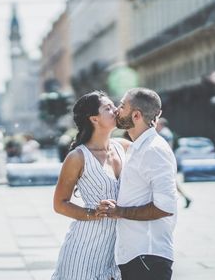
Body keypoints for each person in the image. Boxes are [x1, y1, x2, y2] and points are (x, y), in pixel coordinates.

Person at [51, 91, 129, 280]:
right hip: (84, 249)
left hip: (116, 252)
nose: (116, 110)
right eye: (108, 108)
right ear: (94, 118)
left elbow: (153, 153)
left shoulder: (123, 147)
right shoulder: (78, 157)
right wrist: (92, 213)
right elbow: (59, 204)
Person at [106, 87, 177, 280]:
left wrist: (120, 212)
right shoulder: (138, 147)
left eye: (121, 106)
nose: (116, 110)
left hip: (147, 256)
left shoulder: (154, 150)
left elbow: (166, 207)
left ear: (136, 115)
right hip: (136, 255)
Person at [155, 117, 191, 209]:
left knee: (170, 181)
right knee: (171, 181)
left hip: (165, 160)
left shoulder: (163, 133)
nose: (155, 125)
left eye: (157, 124)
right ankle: (185, 197)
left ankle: (183, 198)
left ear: (161, 124)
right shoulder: (167, 132)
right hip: (168, 159)